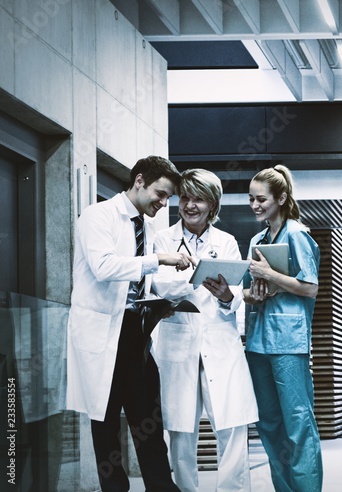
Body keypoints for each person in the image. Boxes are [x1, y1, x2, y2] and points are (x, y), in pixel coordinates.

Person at [66, 156, 194, 492]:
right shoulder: (98, 216)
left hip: (135, 333)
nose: (163, 203)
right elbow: (104, 268)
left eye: (167, 198)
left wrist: (165, 299)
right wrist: (159, 259)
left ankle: (162, 487)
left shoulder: (144, 226)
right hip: (103, 335)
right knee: (106, 428)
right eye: (160, 194)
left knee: (149, 422)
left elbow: (137, 282)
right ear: (139, 180)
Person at [151, 169, 258, 491]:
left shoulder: (225, 242)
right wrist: (190, 278)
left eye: (198, 199)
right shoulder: (162, 239)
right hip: (178, 341)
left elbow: (236, 291)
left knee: (232, 426)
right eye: (185, 197)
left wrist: (226, 295)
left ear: (213, 204)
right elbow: (159, 284)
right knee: (181, 431)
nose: (190, 205)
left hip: (219, 340)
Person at [243, 165, 323, 491]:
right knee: (270, 425)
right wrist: (254, 293)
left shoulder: (297, 234)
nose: (254, 205)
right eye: (251, 199)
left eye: (261, 199)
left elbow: (310, 286)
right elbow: (252, 290)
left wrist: (271, 276)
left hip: (289, 343)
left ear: (281, 198)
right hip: (258, 341)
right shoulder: (257, 239)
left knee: (298, 424)